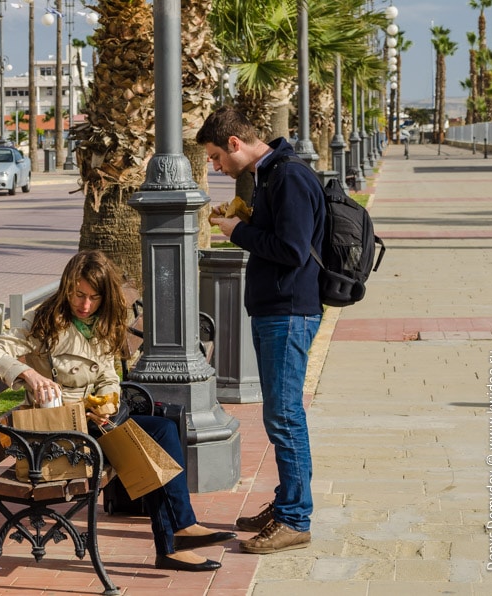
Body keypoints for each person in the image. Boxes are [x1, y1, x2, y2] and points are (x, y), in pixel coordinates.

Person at [0, 250, 236, 572]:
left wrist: (110, 400)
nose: (85, 305)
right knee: (156, 436)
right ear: (67, 287)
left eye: (94, 297)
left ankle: (176, 538)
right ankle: (175, 538)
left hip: (94, 421)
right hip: (60, 432)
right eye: (79, 294)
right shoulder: (44, 321)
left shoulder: (100, 322)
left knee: (160, 433)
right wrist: (28, 374)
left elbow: (108, 375)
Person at [196, 106, 325, 555]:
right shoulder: (271, 174)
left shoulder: (287, 176)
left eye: (215, 157)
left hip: (289, 312)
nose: (215, 167)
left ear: (234, 143)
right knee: (281, 414)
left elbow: (291, 249)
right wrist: (248, 223)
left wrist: (236, 231)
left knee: (285, 416)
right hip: (279, 310)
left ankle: (295, 519)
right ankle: (288, 502)